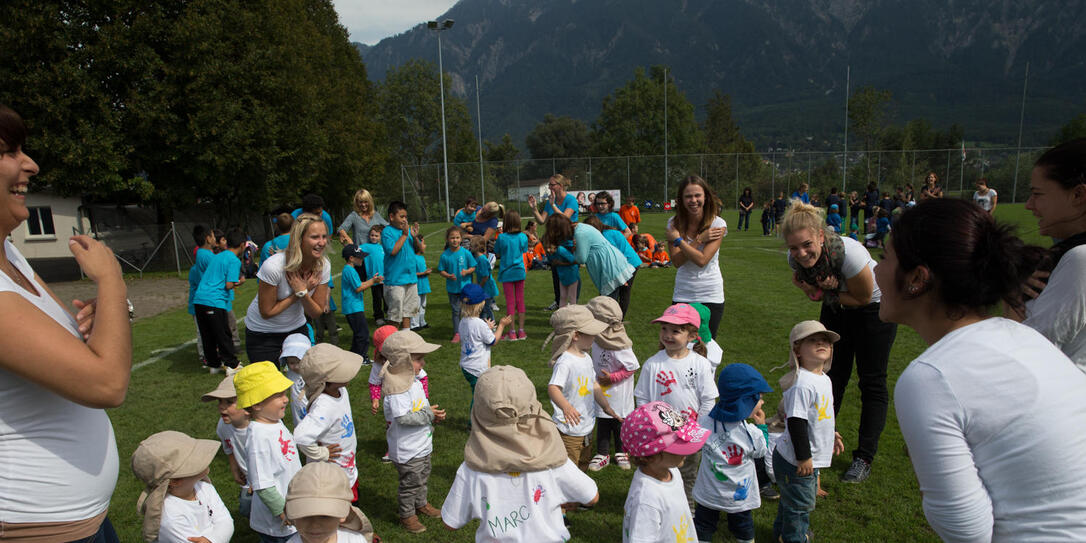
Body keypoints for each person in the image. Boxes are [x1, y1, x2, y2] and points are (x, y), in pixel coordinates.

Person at [877, 198, 1086, 541]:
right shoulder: (1023, 337)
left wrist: (926, 479)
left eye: (885, 257)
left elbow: (966, 532)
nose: (876, 269)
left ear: (917, 279)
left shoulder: (931, 377)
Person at [0, 105, 129, 542]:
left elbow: (82, 347)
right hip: (36, 528)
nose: (30, 165)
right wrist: (111, 279)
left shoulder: (11, 254)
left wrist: (102, 318)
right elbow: (107, 383)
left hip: (81, 521)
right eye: (9, 151)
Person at [782, 199, 896, 483]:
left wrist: (821, 293)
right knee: (830, 376)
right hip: (837, 308)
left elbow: (862, 297)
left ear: (821, 236)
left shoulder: (850, 253)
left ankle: (863, 457)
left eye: (807, 244)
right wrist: (817, 292)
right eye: (794, 248)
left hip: (874, 310)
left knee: (871, 381)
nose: (801, 253)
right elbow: (813, 292)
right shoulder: (793, 259)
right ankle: (816, 444)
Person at [441, 365, 600, 542]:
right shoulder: (552, 459)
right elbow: (591, 497)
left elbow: (450, 522)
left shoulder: (472, 468)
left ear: (479, 411)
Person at [633, 303, 717, 509]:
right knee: (657, 470)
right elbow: (642, 399)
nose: (668, 335)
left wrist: (701, 429)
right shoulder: (652, 364)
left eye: (675, 331)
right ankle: (657, 504)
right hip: (659, 434)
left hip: (689, 433)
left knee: (688, 473)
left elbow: (708, 400)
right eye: (664, 329)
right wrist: (647, 427)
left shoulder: (700, 364)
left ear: (691, 336)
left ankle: (687, 509)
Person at [1016, 139, 1086, 370]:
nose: (1029, 205)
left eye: (1037, 194)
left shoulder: (1081, 259)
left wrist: (1012, 297)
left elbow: (1030, 346)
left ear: (1078, 195)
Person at [773, 321, 845, 543]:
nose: (821, 343)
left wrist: (832, 434)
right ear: (797, 349)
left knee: (791, 500)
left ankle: (782, 533)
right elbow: (796, 421)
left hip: (804, 458)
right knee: (800, 505)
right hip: (798, 460)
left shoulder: (824, 379)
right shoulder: (802, 383)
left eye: (825, 341)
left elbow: (819, 414)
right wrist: (803, 457)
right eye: (813, 340)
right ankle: (795, 536)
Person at [692, 363, 772, 543]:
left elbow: (694, 443)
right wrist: (762, 427)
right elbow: (761, 451)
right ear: (745, 401)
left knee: (703, 525)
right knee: (743, 526)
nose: (762, 402)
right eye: (759, 398)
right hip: (740, 496)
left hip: (709, 492)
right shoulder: (752, 433)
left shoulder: (705, 421)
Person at [379, 330, 447, 533]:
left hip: (422, 445)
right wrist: (429, 415)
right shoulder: (397, 389)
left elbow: (420, 408)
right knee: (410, 483)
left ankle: (421, 503)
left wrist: (431, 414)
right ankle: (407, 514)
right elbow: (404, 418)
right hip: (408, 449)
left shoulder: (413, 381)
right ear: (402, 361)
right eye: (418, 359)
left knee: (422, 477)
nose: (423, 363)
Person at [244, 213, 331, 364]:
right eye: (315, 237)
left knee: (306, 382)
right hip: (262, 334)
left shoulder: (323, 266)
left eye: (324, 236)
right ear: (299, 239)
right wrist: (298, 294)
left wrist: (303, 293)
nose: (322, 242)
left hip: (296, 329)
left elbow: (316, 312)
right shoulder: (274, 266)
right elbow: (267, 312)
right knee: (270, 386)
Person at [620, 401, 710, 543]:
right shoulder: (646, 500)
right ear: (650, 456)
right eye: (678, 445)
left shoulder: (673, 472)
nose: (687, 450)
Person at [544, 305, 620, 471]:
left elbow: (593, 384)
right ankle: (568, 496)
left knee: (583, 464)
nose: (595, 336)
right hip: (568, 430)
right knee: (568, 470)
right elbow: (553, 387)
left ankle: (580, 492)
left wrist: (606, 406)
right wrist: (566, 407)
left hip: (586, 425)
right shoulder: (565, 361)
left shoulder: (585, 357)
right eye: (591, 333)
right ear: (576, 335)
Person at [235, 361, 302, 542]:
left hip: (294, 507)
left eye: (284, 393)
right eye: (278, 395)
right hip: (278, 524)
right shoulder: (258, 438)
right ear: (256, 404)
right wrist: (284, 512)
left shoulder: (274, 421)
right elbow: (263, 485)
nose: (286, 399)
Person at [132, 431, 232, 543]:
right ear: (175, 481)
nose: (201, 457)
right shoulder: (170, 515)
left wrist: (212, 540)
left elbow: (225, 521)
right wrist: (217, 535)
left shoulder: (203, 487)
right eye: (193, 458)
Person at [294, 344, 363, 499]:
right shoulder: (323, 406)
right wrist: (321, 453)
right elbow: (301, 437)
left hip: (347, 467)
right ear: (326, 381)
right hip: (331, 478)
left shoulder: (341, 391)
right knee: (340, 516)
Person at [667, 175, 728, 339]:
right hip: (682, 293)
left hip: (710, 294)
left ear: (706, 197)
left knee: (705, 345)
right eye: (688, 196)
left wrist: (679, 241)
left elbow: (702, 260)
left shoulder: (718, 224)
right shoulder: (673, 224)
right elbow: (677, 262)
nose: (693, 200)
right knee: (679, 344)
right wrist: (699, 239)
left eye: (697, 195)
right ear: (681, 199)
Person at [586, 296, 640, 472]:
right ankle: (602, 453)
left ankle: (621, 450)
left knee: (618, 421)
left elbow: (632, 367)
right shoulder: (596, 338)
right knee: (602, 420)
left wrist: (613, 378)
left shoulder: (620, 343)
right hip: (601, 390)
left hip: (618, 392)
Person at [541, 213, 634, 300]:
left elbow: (581, 259)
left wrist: (571, 254)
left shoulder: (580, 233)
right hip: (610, 265)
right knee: (607, 303)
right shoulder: (580, 229)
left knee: (607, 305)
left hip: (610, 267)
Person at [193, 227, 246, 373]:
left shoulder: (218, 256)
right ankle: (231, 364)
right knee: (223, 333)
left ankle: (214, 364)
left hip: (199, 300)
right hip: (214, 301)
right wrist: (240, 282)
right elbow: (229, 284)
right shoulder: (233, 260)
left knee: (207, 334)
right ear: (242, 245)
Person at [284, 462, 378, 543]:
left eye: (325, 516)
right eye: (305, 516)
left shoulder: (355, 540)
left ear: (343, 514)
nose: (314, 524)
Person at [457, 283, 513, 414]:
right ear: (480, 305)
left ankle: (479, 419)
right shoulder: (479, 324)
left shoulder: (463, 321)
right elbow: (493, 341)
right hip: (477, 368)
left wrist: (486, 328)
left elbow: (474, 337)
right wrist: (501, 326)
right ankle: (474, 423)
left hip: (466, 365)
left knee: (478, 394)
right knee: (479, 397)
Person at [202, 375, 253, 517]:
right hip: (248, 480)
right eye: (220, 401)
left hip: (267, 479)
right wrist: (234, 467)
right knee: (246, 510)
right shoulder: (223, 426)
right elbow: (229, 447)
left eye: (229, 402)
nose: (221, 407)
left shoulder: (260, 428)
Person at [528, 174, 579, 310]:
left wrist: (553, 205)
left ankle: (573, 304)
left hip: (569, 243)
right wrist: (534, 208)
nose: (550, 187)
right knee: (556, 273)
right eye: (549, 185)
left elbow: (565, 218)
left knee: (572, 272)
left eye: (552, 184)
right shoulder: (550, 201)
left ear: (560, 186)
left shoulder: (571, 200)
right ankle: (559, 302)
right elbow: (541, 220)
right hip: (554, 243)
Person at [584, 215, 641, 318]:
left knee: (622, 292)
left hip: (629, 263)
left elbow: (616, 256)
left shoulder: (607, 235)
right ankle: (614, 318)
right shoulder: (602, 235)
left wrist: (622, 277)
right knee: (615, 292)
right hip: (623, 264)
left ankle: (617, 319)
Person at [381, 201, 423, 330]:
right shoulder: (387, 232)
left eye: (406, 217)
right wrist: (405, 235)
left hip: (410, 279)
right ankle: (390, 340)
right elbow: (393, 251)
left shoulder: (408, 232)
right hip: (395, 281)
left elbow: (419, 250)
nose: (405, 220)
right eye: (401, 217)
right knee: (395, 315)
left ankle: (405, 338)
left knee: (408, 313)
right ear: (392, 217)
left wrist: (415, 237)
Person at [493, 210, 530, 339]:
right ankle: (521, 330)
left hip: (507, 272)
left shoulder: (502, 237)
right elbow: (524, 250)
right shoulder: (523, 237)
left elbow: (496, 251)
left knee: (510, 302)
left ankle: (512, 332)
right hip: (519, 271)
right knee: (520, 301)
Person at [341, 244, 380, 361]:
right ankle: (361, 357)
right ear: (351, 258)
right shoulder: (349, 270)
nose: (362, 259)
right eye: (360, 257)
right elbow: (358, 287)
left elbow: (360, 285)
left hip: (354, 307)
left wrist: (371, 280)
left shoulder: (350, 269)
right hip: (353, 308)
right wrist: (373, 281)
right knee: (363, 334)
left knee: (359, 333)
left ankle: (353, 356)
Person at [437, 226, 475, 342]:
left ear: (461, 239)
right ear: (448, 239)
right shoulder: (445, 255)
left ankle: (468, 332)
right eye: (452, 238)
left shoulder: (466, 253)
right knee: (455, 311)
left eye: (457, 237)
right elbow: (441, 270)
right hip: (452, 289)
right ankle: (457, 333)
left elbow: (473, 267)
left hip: (466, 288)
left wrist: (467, 271)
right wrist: (448, 275)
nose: (455, 240)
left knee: (467, 311)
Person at [188, 225, 216, 365]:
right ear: (208, 238)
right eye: (213, 235)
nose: (215, 238)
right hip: (209, 299)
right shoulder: (207, 255)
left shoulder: (201, 254)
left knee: (206, 330)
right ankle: (206, 356)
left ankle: (208, 355)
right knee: (205, 330)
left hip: (205, 299)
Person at [280, 333, 312, 425]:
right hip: (297, 407)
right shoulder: (290, 372)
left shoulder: (312, 372)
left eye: (300, 361)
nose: (296, 366)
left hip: (311, 406)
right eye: (292, 363)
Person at [360, 225, 387, 326]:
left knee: (387, 298)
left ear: (380, 237)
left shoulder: (383, 247)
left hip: (385, 278)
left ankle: (388, 314)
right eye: (372, 235)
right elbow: (354, 250)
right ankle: (378, 317)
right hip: (374, 279)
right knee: (377, 298)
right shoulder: (366, 246)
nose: (374, 237)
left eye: (376, 235)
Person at [468, 235, 498, 322]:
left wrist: (479, 287)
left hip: (487, 287)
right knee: (483, 307)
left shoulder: (482, 259)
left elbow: (485, 276)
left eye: (471, 245)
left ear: (477, 247)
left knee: (486, 308)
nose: (470, 247)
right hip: (483, 286)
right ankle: (483, 324)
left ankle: (492, 324)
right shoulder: (477, 258)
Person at [411, 241, 432, 331]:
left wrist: (426, 272)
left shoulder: (421, 258)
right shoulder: (413, 258)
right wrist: (423, 273)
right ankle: (414, 325)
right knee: (416, 306)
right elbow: (412, 273)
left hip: (423, 285)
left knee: (423, 305)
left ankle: (422, 322)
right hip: (417, 286)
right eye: (423, 244)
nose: (425, 245)